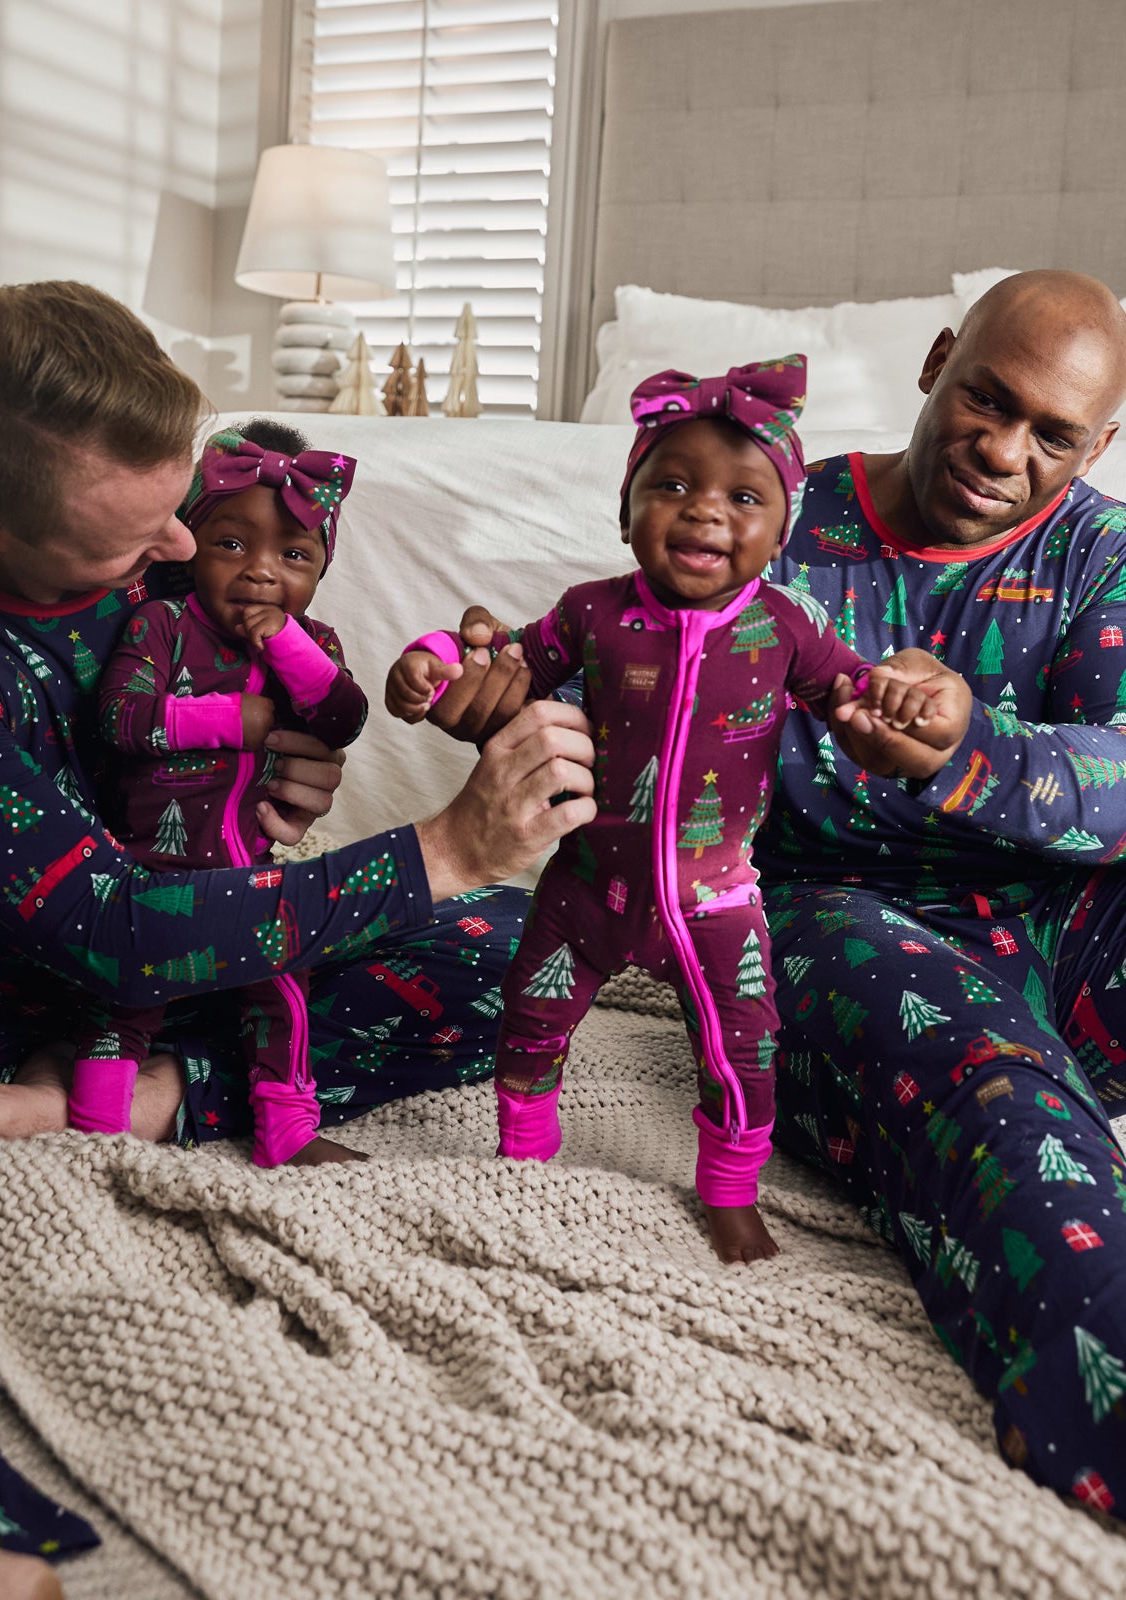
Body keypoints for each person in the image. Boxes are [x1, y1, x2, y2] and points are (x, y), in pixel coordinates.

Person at [0, 280, 596, 1600]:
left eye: (175, 518)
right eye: (134, 554)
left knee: (512, 948)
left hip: (171, 948)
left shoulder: (169, 550)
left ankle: (160, 1098)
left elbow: (249, 740)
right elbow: (114, 928)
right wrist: (439, 845)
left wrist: (286, 786)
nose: (183, 561)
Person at [434, 270, 1126, 1515]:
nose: (1000, 448)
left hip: (1055, 917)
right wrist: (495, 688)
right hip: (817, 912)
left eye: (1052, 434)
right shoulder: (763, 509)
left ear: (1099, 444)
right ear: (931, 364)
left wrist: (974, 745)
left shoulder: (1099, 559)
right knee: (993, 1093)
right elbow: (621, 677)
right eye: (984, 396)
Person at [388, 359, 949, 1263]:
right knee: (530, 1022)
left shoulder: (787, 626)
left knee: (745, 1046)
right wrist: (432, 663)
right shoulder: (592, 613)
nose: (705, 510)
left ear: (780, 534)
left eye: (743, 497)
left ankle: (730, 1191)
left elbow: (855, 696)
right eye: (673, 484)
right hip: (581, 887)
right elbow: (502, 661)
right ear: (627, 509)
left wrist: (894, 701)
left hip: (714, 898)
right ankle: (523, 1159)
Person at [72, 419, 371, 1168]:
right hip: (152, 866)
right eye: (232, 544)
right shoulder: (163, 624)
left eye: (294, 555)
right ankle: (91, 1139)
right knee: (126, 1006)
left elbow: (343, 716)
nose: (263, 572)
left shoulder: (316, 643)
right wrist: (237, 719)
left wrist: (286, 646)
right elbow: (121, 717)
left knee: (284, 998)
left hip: (257, 871)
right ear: (190, 542)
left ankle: (288, 1131)